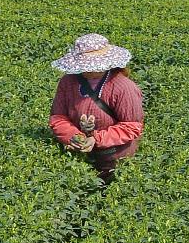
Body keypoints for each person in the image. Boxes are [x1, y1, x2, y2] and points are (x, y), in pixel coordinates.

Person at [49, 33, 144, 180]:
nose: (86, 71)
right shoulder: (67, 82)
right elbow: (58, 117)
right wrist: (74, 137)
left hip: (115, 158)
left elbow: (131, 126)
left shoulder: (124, 87)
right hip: (79, 157)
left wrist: (97, 139)